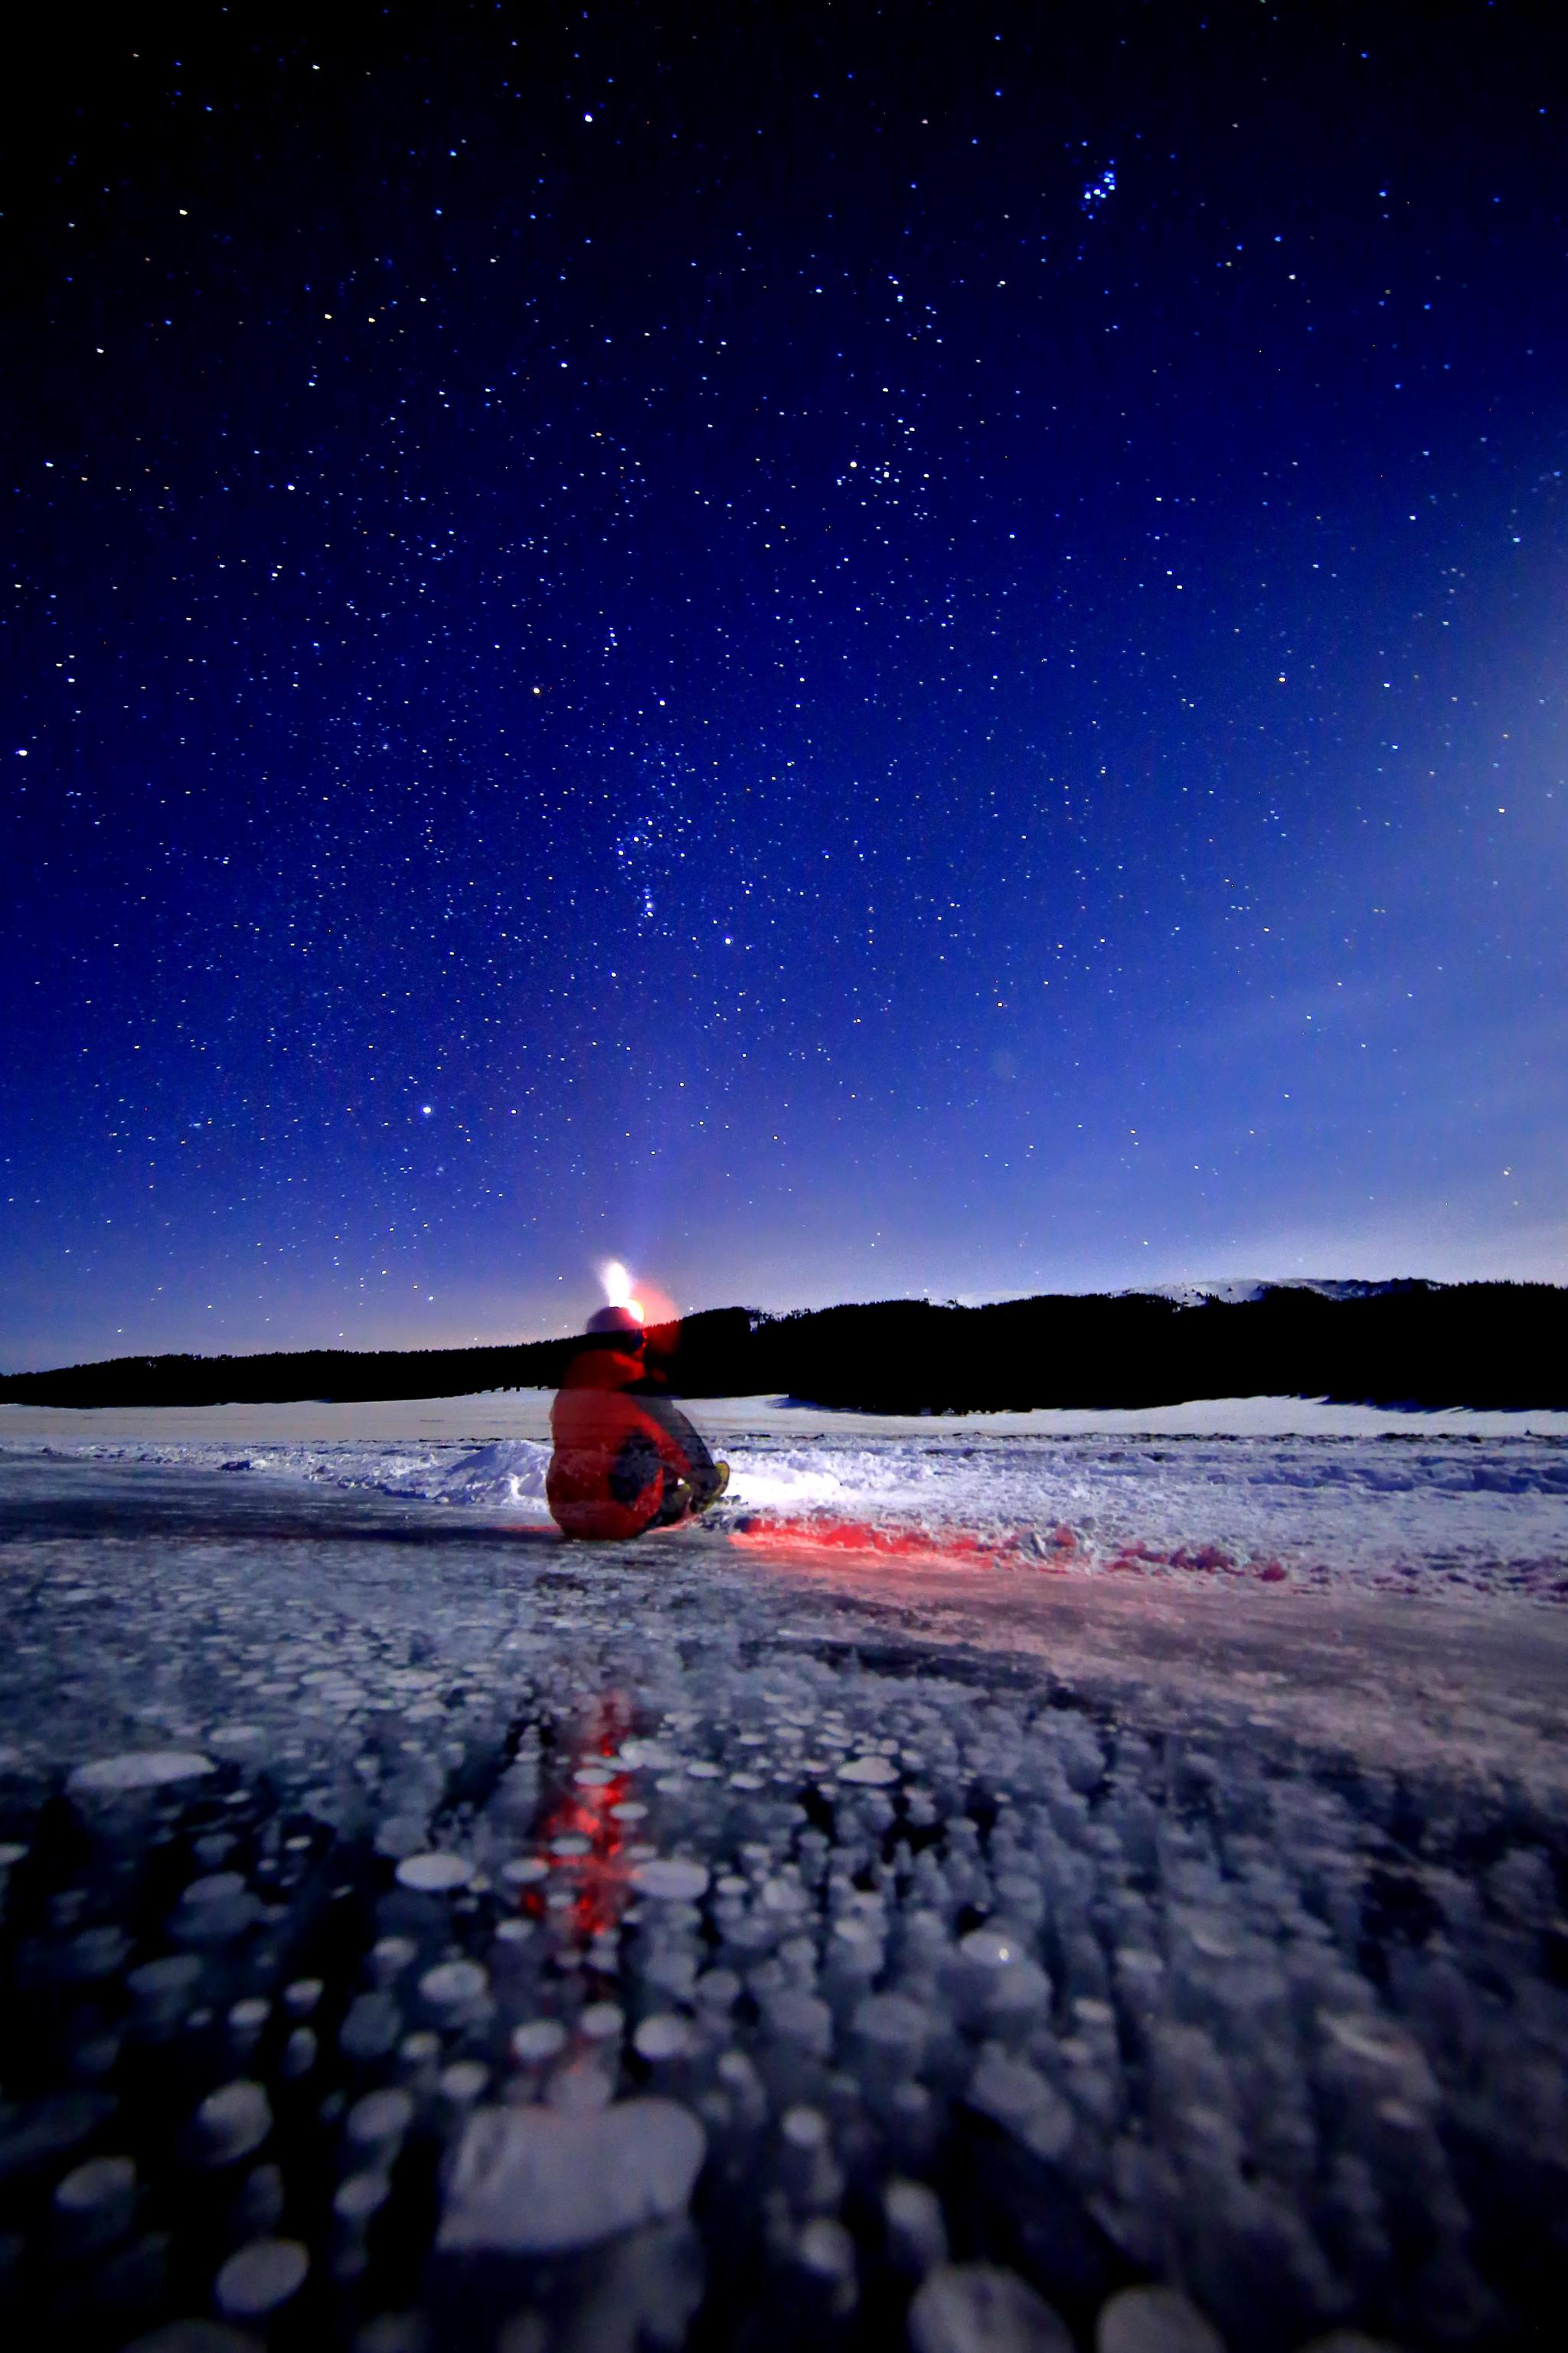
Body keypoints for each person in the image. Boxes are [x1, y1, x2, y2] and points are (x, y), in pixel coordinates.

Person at [546, 1303, 729, 1541]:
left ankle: (668, 1492)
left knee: (626, 1438)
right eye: (640, 1336)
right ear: (631, 1339)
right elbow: (676, 1441)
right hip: (620, 1519)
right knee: (669, 1427)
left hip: (568, 1516)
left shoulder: (568, 1390)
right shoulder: (638, 1387)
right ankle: (705, 1485)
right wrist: (704, 1479)